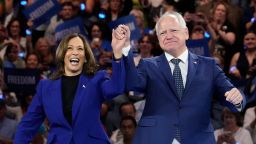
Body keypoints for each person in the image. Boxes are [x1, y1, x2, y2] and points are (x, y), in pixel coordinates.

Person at [112, 11, 246, 144]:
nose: (168, 36)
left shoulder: (208, 66)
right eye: (163, 33)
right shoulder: (148, 65)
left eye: (174, 30)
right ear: (158, 40)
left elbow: (232, 96)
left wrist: (237, 98)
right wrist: (124, 50)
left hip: (197, 138)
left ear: (186, 33)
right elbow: (132, 84)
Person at [14, 33, 126, 144]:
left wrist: (117, 54)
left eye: (80, 49)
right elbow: (28, 124)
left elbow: (116, 87)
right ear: (62, 55)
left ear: (86, 58)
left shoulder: (97, 79)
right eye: (70, 48)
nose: (75, 52)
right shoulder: (45, 87)